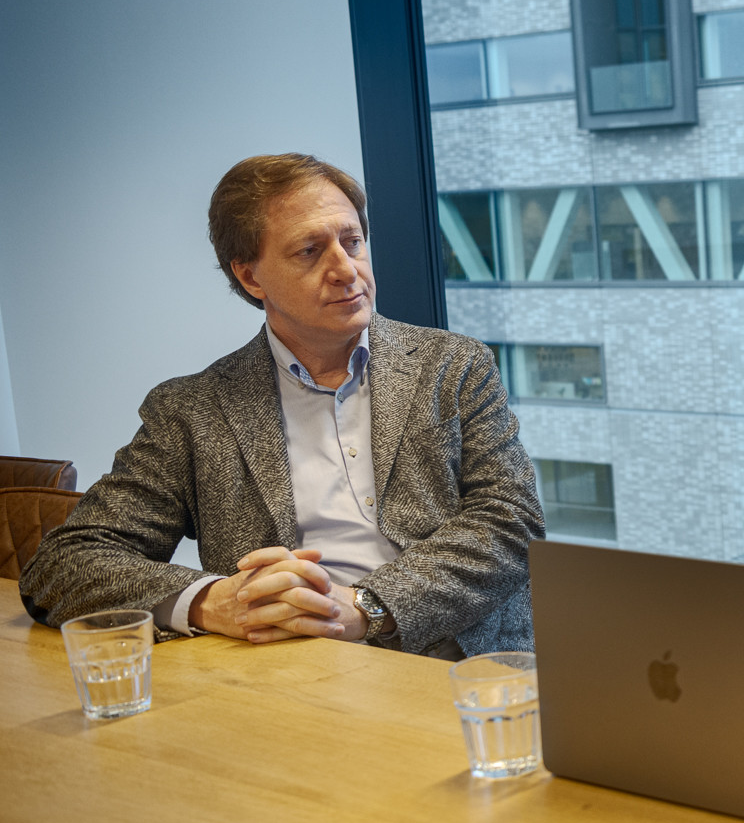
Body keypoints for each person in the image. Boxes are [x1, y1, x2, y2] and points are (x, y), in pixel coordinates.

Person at [20, 154, 543, 659]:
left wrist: (368, 607)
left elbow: (511, 521)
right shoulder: (191, 408)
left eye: (352, 242)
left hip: (453, 662)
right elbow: (64, 564)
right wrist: (214, 601)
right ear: (250, 277)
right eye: (310, 251)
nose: (347, 270)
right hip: (284, 672)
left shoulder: (452, 366)